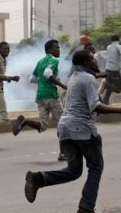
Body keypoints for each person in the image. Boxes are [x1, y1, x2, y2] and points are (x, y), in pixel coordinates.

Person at [24, 50, 121, 213]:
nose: (96, 62)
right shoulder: (88, 79)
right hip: (82, 129)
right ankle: (86, 207)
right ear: (84, 63)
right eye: (92, 59)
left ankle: (39, 178)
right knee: (96, 167)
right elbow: (96, 106)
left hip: (65, 129)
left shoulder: (75, 77)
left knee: (74, 170)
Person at [13, 40, 68, 161]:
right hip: (52, 96)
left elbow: (32, 79)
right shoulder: (53, 60)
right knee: (63, 124)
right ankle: (63, 153)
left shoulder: (40, 61)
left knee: (43, 126)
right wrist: (62, 85)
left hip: (40, 96)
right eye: (56, 48)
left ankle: (25, 122)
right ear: (49, 50)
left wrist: (43, 81)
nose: (58, 50)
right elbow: (48, 73)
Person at [102, 35, 121, 104]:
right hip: (115, 70)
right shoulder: (118, 47)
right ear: (119, 39)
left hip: (108, 69)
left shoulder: (108, 47)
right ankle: (105, 84)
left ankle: (105, 101)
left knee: (110, 88)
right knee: (118, 89)